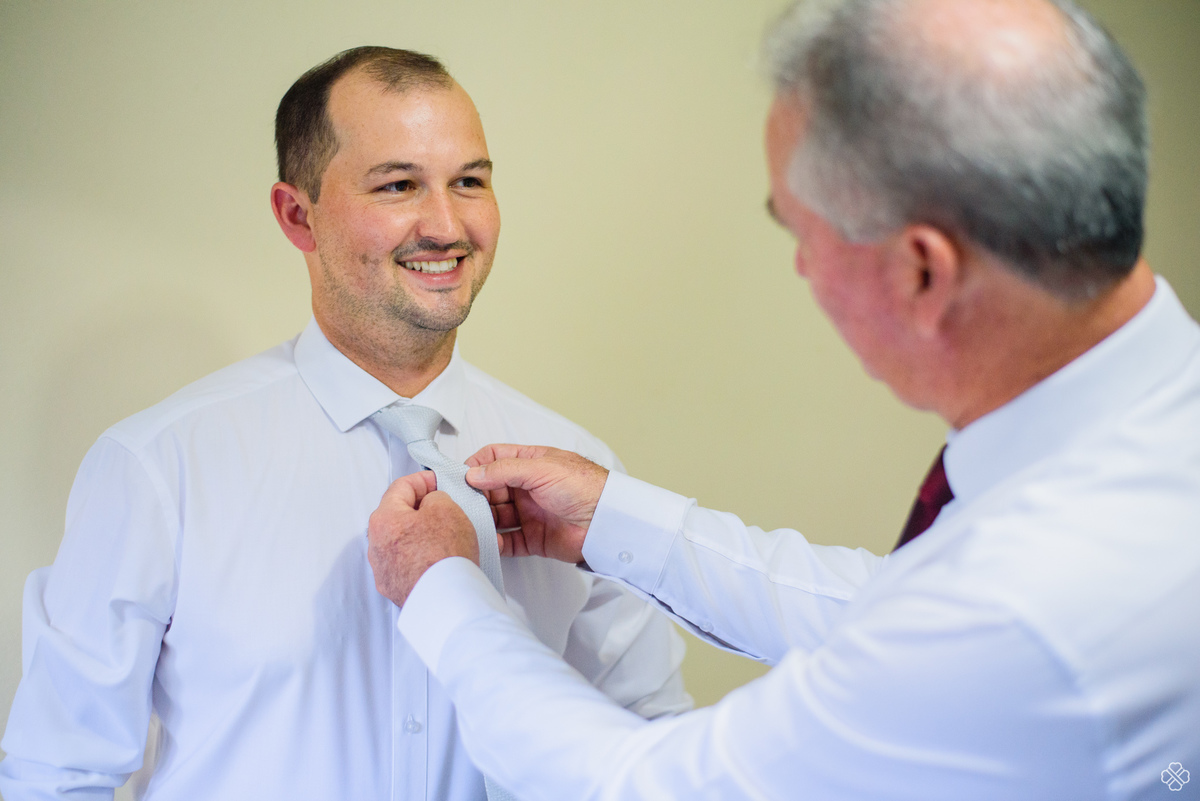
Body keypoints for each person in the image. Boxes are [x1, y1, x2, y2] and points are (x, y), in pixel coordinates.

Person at [365, 1, 1200, 799]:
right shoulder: (1154, 430)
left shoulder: (1022, 605)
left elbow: (645, 786)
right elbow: (894, 617)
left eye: (800, 234)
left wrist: (446, 593)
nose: (801, 271)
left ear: (921, 271)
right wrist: (616, 524)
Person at [0, 47, 690, 800]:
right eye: (399, 185)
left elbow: (651, 742)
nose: (447, 223)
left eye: (470, 181)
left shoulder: (579, 473)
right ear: (299, 215)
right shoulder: (161, 468)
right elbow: (56, 776)